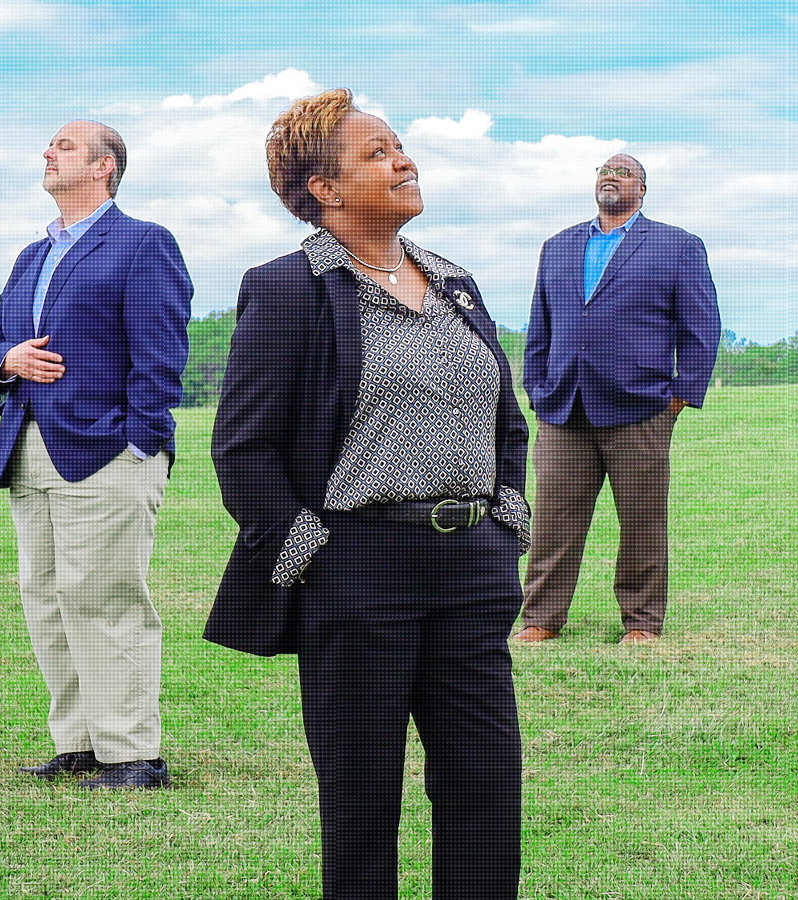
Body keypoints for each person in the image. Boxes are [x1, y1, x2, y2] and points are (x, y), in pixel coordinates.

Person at [206, 88, 530, 900]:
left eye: (400, 146)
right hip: (357, 573)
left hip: (471, 572)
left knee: (485, 793)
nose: (403, 159)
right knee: (361, 800)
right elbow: (243, 448)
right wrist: (314, 551)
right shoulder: (288, 289)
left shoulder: (456, 282)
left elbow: (505, 421)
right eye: (378, 152)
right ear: (325, 188)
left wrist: (507, 521)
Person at [0, 120, 190, 790]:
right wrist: (6, 361)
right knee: (47, 599)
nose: (47, 152)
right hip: (28, 451)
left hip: (107, 452)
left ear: (104, 166)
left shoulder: (142, 243)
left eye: (63, 146)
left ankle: (132, 755)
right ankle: (80, 744)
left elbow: (161, 359)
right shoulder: (30, 256)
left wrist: (138, 442)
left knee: (103, 597)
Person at [515, 153, 719, 645]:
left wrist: (680, 397)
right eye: (604, 171)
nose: (611, 177)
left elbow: (702, 327)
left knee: (642, 520)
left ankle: (642, 622)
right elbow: (540, 324)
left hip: (641, 409)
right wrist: (537, 387)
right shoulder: (558, 246)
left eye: (624, 172)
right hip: (564, 407)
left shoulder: (677, 246)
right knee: (552, 518)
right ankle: (540, 618)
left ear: (642, 189)